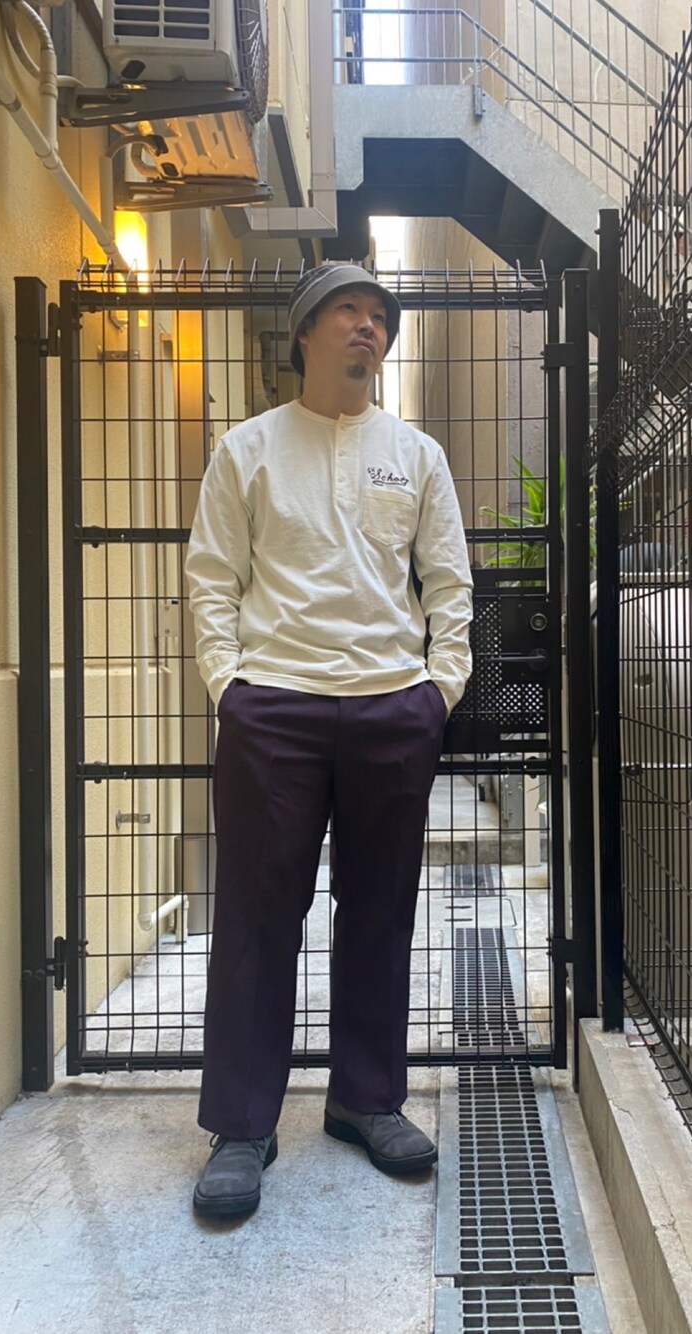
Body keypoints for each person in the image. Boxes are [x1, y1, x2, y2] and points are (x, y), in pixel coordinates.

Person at [185, 263, 474, 1219]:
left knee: (382, 909)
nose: (368, 325)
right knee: (257, 912)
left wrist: (438, 690)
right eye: (348, 310)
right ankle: (242, 1124)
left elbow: (448, 581)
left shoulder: (416, 454)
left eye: (379, 315)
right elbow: (212, 577)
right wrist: (230, 688)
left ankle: (366, 1100)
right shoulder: (248, 449)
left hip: (392, 706)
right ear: (304, 333)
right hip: (275, 705)